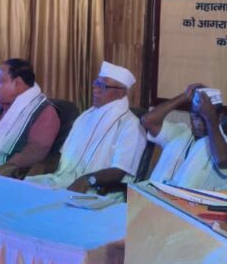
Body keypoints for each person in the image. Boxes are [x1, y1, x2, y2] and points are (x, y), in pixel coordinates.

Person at [26, 61, 145, 194]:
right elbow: (63, 156)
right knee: (21, 190)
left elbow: (119, 171)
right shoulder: (85, 116)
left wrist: (88, 180)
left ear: (121, 92)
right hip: (61, 181)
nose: (95, 89)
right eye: (96, 84)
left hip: (97, 191)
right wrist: (42, 165)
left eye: (102, 86)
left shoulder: (131, 125)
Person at [142, 84, 227, 190]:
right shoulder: (180, 133)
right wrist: (184, 96)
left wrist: (210, 119)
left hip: (191, 201)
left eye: (204, 117)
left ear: (219, 117)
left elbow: (223, 161)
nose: (198, 123)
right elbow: (148, 121)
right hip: (153, 195)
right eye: (195, 116)